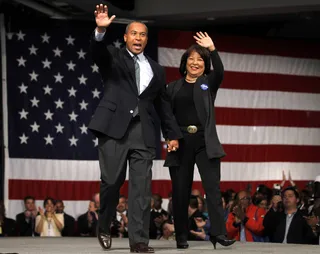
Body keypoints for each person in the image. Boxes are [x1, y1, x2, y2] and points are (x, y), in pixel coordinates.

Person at [89, 4, 182, 253]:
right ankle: (105, 224)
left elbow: (163, 107)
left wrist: (172, 134)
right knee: (111, 182)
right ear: (126, 37)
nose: (138, 38)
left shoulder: (157, 69)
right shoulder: (113, 56)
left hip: (144, 132)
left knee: (141, 188)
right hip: (113, 129)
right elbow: (96, 52)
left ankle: (139, 241)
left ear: (146, 39)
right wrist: (99, 29)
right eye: (134, 34)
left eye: (142, 34)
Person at [163, 32, 235, 249]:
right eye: (191, 59)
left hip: (205, 142)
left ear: (205, 65)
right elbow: (167, 117)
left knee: (212, 188)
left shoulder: (208, 84)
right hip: (180, 142)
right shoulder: (172, 88)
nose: (195, 63)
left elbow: (220, 71)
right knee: (181, 190)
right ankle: (181, 236)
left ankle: (218, 234)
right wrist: (171, 137)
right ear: (184, 63)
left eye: (200, 60)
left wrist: (212, 49)